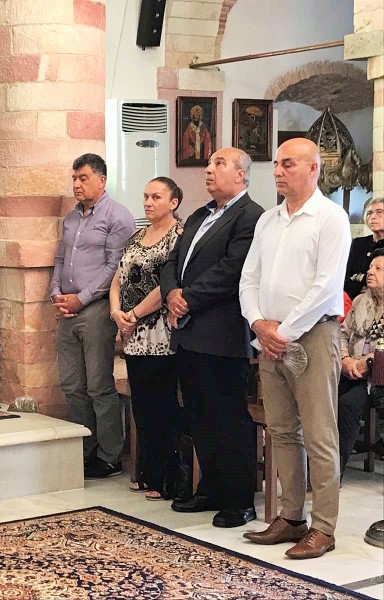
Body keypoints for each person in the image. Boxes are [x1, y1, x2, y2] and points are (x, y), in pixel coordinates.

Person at [240, 138, 351, 559]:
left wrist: (281, 332)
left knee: (320, 434)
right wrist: (258, 322)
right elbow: (249, 278)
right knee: (282, 430)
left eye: (288, 164)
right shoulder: (268, 220)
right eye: (276, 164)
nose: (277, 171)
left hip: (313, 336)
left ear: (313, 169)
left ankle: (324, 527)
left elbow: (326, 286)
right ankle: (291, 517)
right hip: (270, 338)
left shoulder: (330, 218)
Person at [159, 147, 264, 528]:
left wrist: (187, 298)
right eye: (208, 163)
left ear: (241, 175)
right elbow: (172, 261)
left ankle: (239, 498)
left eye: (219, 164)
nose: (208, 169)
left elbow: (233, 270)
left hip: (222, 333)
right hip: (188, 332)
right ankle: (211, 488)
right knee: (199, 415)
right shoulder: (200, 215)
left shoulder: (250, 216)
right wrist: (171, 292)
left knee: (227, 417)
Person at [50, 153, 136, 479]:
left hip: (97, 307)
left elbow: (116, 267)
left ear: (101, 180)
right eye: (74, 178)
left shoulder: (118, 217)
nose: (76, 184)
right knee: (72, 385)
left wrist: (81, 299)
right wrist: (56, 292)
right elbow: (60, 258)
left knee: (99, 386)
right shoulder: (71, 218)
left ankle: (110, 455)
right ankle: (83, 450)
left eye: (83, 178)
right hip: (67, 309)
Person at [109, 177, 183, 500]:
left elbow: (167, 285)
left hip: (159, 332)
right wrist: (117, 313)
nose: (148, 202)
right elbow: (118, 277)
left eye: (156, 197)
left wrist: (134, 314)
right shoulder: (137, 236)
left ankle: (164, 477)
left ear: (173, 202)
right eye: (145, 196)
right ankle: (146, 471)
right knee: (141, 404)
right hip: (133, 333)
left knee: (161, 405)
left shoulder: (178, 236)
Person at [338, 251, 384, 475]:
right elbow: (342, 334)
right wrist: (345, 359)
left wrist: (369, 362)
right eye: (370, 267)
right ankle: (315, 469)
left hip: (376, 378)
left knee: (347, 405)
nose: (369, 272)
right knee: (322, 398)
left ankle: (333, 473)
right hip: (349, 368)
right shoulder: (360, 301)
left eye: (378, 269)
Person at [345, 197, 384, 299]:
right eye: (369, 213)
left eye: (379, 212)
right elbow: (345, 278)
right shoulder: (358, 244)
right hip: (356, 301)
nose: (372, 216)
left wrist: (359, 277)